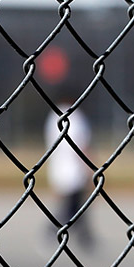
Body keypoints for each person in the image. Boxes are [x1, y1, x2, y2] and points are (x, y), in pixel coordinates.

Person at [44, 96, 94, 249]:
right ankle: (52, 231)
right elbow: (82, 145)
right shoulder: (76, 116)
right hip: (75, 169)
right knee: (73, 207)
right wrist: (90, 167)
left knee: (77, 205)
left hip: (58, 166)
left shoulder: (53, 116)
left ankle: (85, 237)